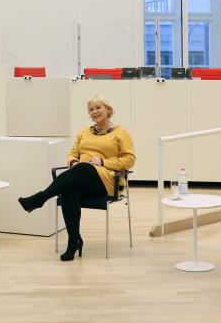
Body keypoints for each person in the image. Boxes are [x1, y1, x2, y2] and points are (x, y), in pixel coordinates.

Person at [17, 96, 136, 261]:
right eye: (91, 109)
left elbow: (130, 160)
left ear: (108, 110)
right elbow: (73, 153)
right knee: (69, 191)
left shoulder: (120, 133)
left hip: (107, 180)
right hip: (81, 176)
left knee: (83, 168)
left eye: (98, 108)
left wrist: (103, 162)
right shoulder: (83, 133)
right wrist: (73, 162)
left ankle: (40, 198)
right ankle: (74, 241)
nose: (94, 112)